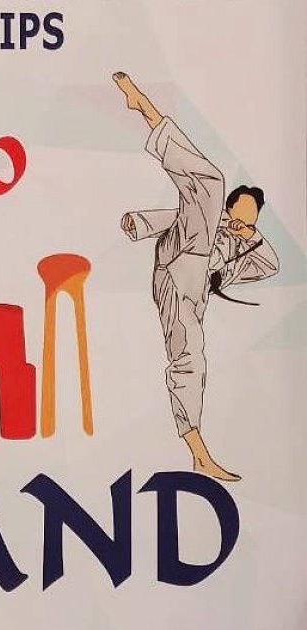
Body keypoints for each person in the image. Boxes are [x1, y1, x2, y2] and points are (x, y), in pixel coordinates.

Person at [113, 72, 279, 481]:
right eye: (236, 218)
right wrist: (143, 223)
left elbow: (270, 265)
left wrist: (247, 236)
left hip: (191, 289)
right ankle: (145, 106)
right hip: (179, 260)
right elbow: (185, 215)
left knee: (190, 359)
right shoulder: (211, 220)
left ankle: (198, 451)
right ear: (228, 211)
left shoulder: (241, 248)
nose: (239, 227)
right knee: (210, 182)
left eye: (247, 225)